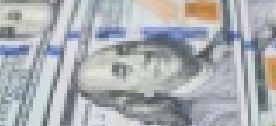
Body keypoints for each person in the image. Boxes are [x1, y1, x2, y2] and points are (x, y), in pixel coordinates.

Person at [74, 37, 241, 126]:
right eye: (123, 71)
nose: (140, 57)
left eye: (125, 50)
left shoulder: (232, 21)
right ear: (140, 96)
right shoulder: (216, 118)